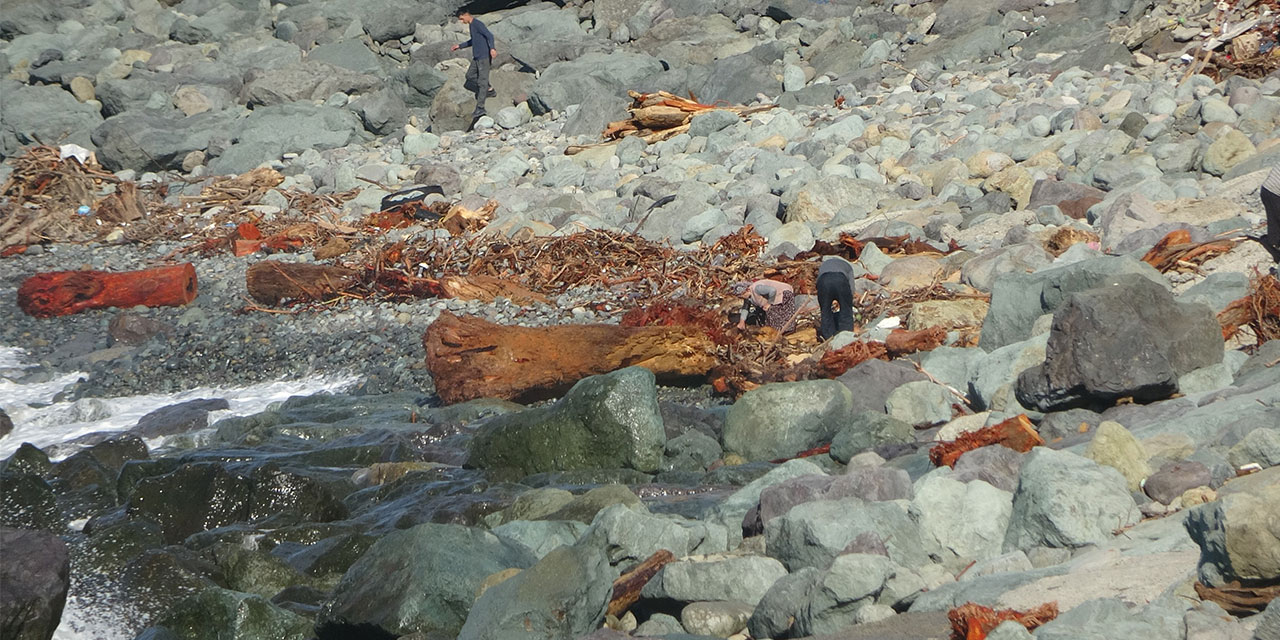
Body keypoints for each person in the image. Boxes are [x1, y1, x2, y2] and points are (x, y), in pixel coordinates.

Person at [450, 10, 497, 130]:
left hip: (484, 57)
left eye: (462, 19)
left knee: (482, 82)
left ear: (466, 15)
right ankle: (489, 89)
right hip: (476, 58)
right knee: (469, 76)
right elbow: (473, 41)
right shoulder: (471, 26)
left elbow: (489, 36)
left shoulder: (477, 24)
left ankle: (480, 108)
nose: (462, 21)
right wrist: (459, 46)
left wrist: (492, 48)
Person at [816, 256, 857, 340]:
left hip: (824, 281)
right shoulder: (848, 267)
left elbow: (818, 283)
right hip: (840, 280)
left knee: (825, 311)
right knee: (846, 309)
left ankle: (828, 337)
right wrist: (848, 300)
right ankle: (846, 336)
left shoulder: (823, 265)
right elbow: (852, 288)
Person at [1262, 165, 1280, 264]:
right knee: (1275, 219)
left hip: (1268, 190)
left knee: (1274, 221)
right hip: (1273, 192)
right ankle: (1273, 247)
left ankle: (1273, 242)